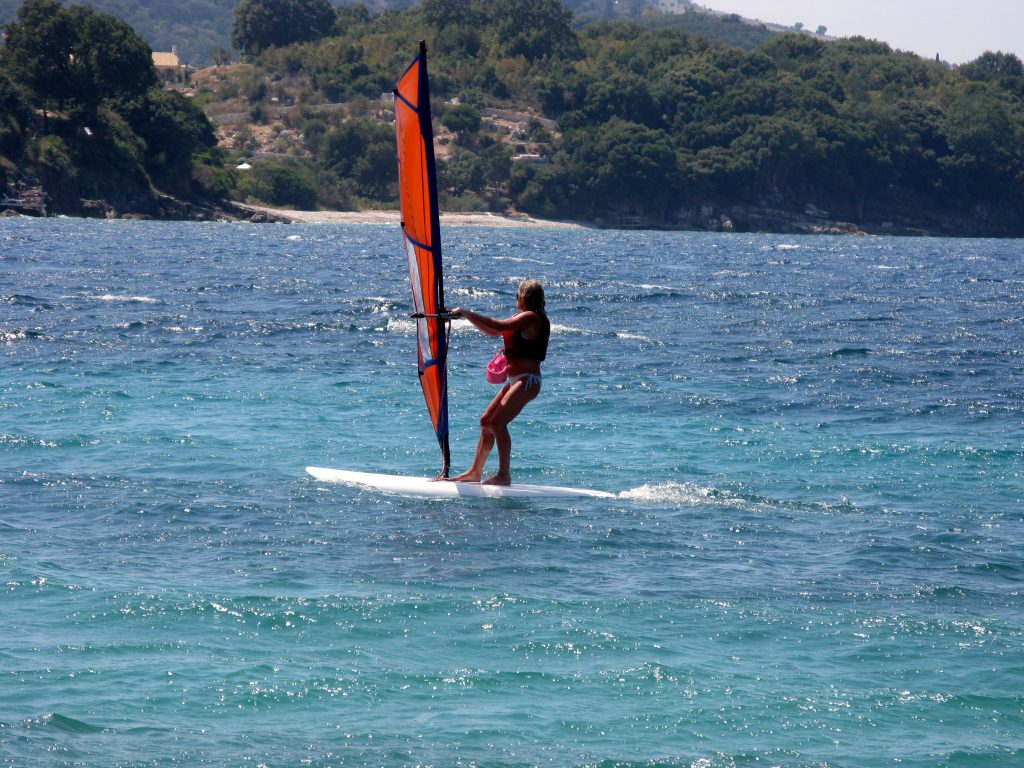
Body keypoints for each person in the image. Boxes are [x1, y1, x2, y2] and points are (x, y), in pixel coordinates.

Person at [450, 279, 550, 485]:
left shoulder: (532, 317)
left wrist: (466, 313)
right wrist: (467, 317)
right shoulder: (523, 318)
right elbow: (494, 331)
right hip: (517, 380)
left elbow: (497, 325)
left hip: (528, 381)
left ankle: (504, 475)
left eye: (518, 295)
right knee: (486, 421)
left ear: (524, 297)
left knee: (498, 422)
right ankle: (475, 472)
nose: (517, 299)